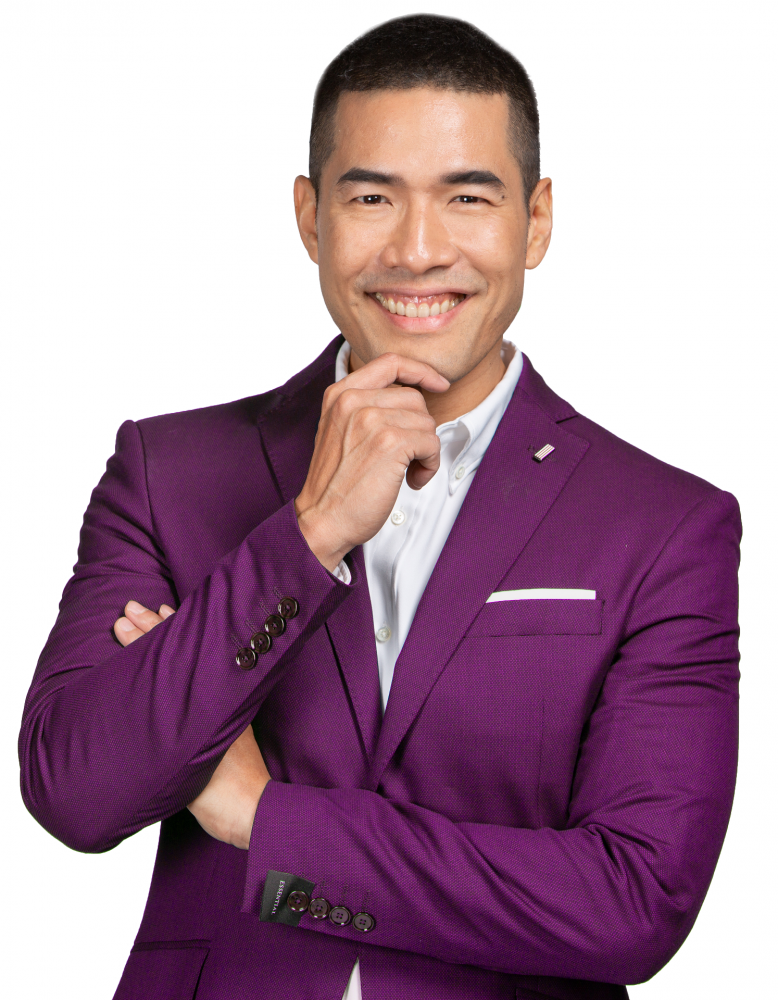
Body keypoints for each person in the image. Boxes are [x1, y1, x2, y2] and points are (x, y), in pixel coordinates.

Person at [19, 14, 740, 1000]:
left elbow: (631, 902)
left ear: (535, 221)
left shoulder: (662, 524)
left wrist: (266, 819)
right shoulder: (168, 472)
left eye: (467, 196)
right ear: (311, 217)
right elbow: (76, 792)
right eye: (371, 197)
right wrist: (308, 533)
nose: (417, 248)